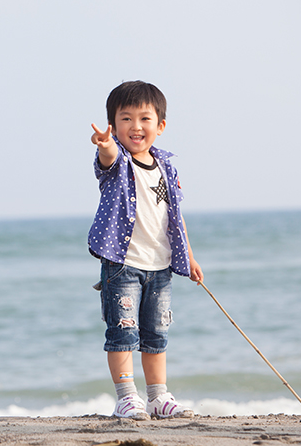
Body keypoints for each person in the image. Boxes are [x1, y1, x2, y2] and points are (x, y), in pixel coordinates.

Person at [88, 80, 204, 420]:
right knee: (123, 331)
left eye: (144, 119)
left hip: (161, 265)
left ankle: (158, 396)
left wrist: (191, 257)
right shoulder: (118, 163)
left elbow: (175, 217)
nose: (135, 127)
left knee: (156, 334)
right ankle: (127, 396)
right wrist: (106, 144)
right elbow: (106, 157)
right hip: (123, 265)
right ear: (113, 124)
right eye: (125, 119)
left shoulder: (166, 166)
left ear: (160, 126)